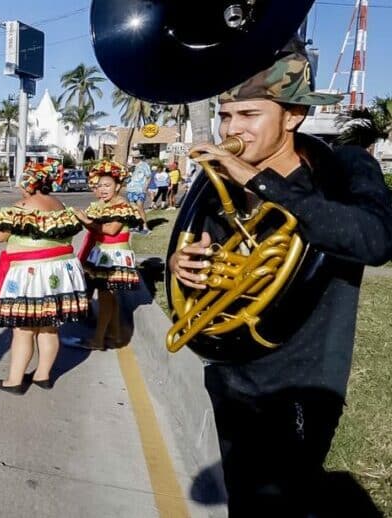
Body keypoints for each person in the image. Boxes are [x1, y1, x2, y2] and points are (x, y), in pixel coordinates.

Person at [169, 40, 392, 517]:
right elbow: (198, 251)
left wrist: (258, 181)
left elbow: (374, 241)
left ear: (292, 115)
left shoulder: (346, 168)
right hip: (231, 374)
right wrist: (184, 267)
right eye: (227, 117)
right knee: (243, 504)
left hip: (299, 384)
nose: (233, 130)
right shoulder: (218, 183)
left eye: (248, 115)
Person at [0, 161, 89, 392]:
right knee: (49, 326)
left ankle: (15, 381)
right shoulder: (60, 205)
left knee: (24, 328)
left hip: (33, 273)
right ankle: (42, 375)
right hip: (60, 272)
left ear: (28, 185)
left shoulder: (21, 207)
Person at [73, 160, 143, 351]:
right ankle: (115, 335)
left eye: (107, 185)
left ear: (118, 186)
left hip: (114, 255)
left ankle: (98, 339)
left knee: (106, 298)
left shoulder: (122, 205)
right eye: (100, 186)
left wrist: (87, 220)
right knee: (109, 298)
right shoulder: (107, 204)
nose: (102, 189)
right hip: (103, 254)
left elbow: (111, 230)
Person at [125, 159, 152, 234]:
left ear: (139, 157)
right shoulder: (131, 166)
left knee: (140, 206)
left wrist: (146, 187)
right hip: (130, 189)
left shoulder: (144, 165)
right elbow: (126, 178)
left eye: (136, 157)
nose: (134, 159)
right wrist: (127, 170)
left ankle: (145, 227)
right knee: (133, 208)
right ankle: (136, 226)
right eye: (133, 157)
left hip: (140, 190)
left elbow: (149, 176)